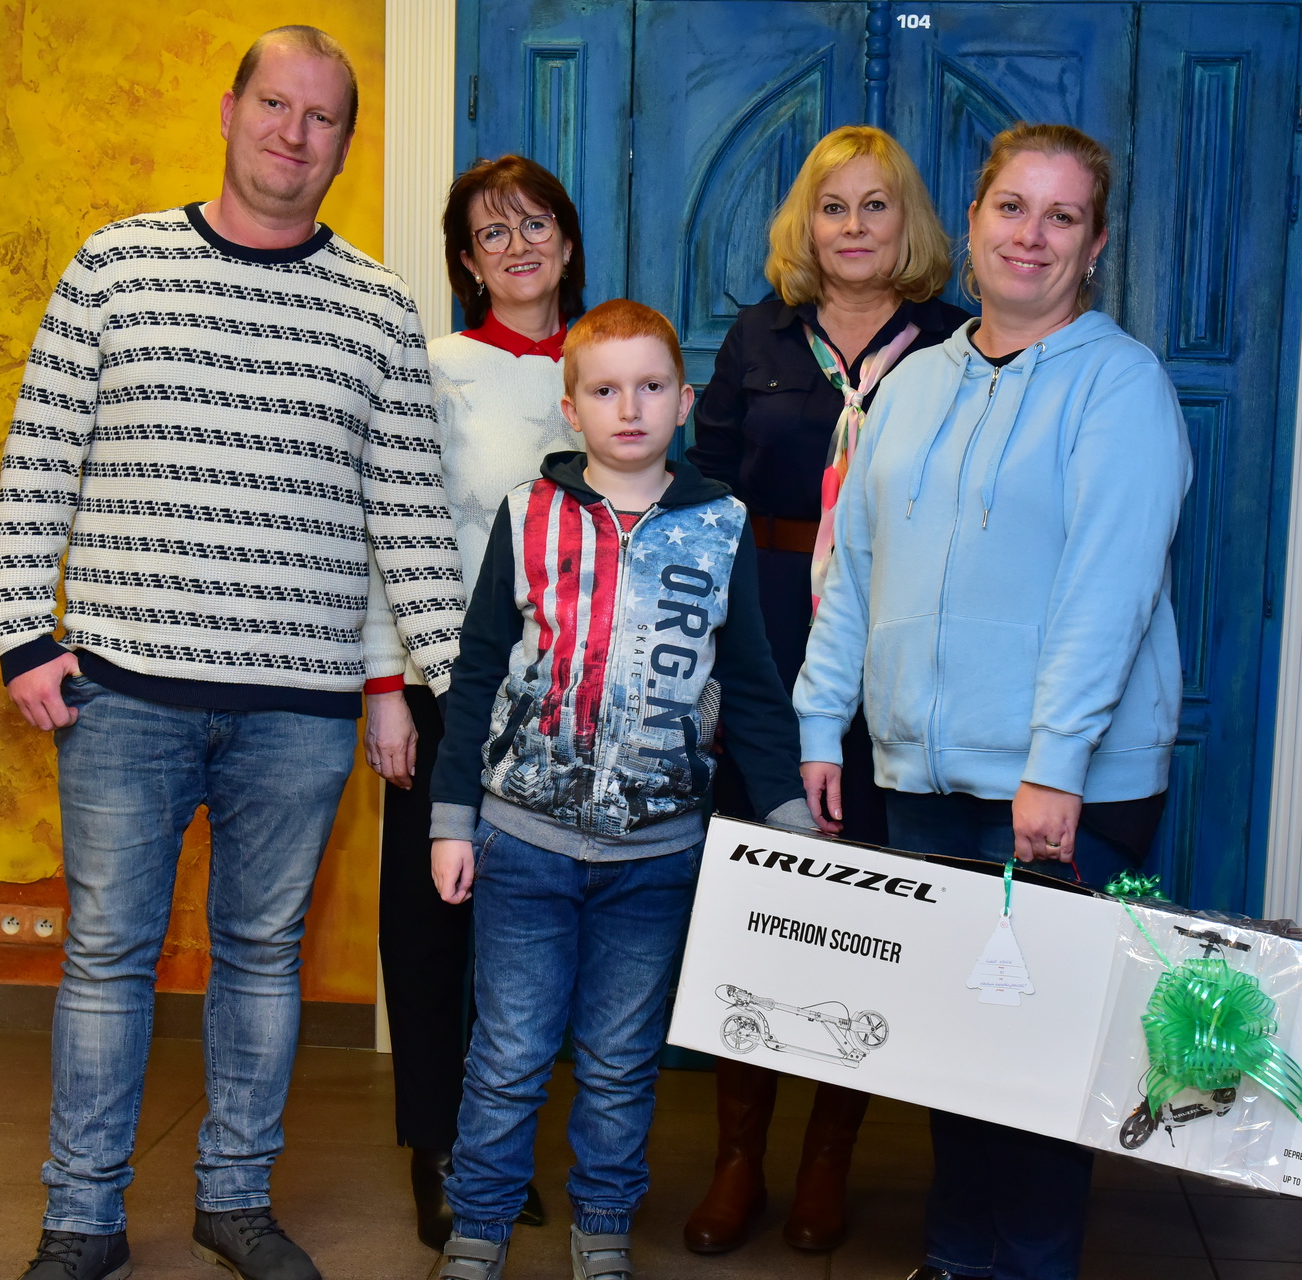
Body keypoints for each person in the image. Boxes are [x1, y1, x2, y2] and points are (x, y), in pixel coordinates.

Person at [0, 27, 466, 1280]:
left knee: (263, 957)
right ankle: (81, 1217)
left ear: (344, 145)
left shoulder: (377, 308)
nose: (292, 133)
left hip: (297, 710)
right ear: (229, 108)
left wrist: (465, 692)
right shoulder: (115, 266)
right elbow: (39, 460)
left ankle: (235, 1199)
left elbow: (412, 521)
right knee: (108, 955)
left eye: (322, 117)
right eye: (275, 104)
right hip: (121, 693)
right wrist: (24, 636)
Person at [792, 123, 1191, 1280]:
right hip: (926, 771)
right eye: (1012, 207)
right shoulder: (915, 382)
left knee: (1040, 1062)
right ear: (970, 224)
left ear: (1096, 244)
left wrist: (1055, 762)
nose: (1032, 235)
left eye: (1063, 217)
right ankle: (956, 1257)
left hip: (1066, 786)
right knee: (955, 1047)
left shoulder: (1121, 386)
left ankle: (1029, 1265)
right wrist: (823, 720)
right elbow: (854, 565)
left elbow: (1109, 590)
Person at [423, 300, 820, 1280]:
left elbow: (754, 687)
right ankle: (478, 1226)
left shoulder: (721, 525)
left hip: (657, 855)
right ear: (572, 409)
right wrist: (451, 819)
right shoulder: (528, 513)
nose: (629, 408)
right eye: (605, 390)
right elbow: (478, 672)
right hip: (522, 841)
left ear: (684, 401)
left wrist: (790, 820)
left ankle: (602, 1225)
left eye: (651, 387)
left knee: (617, 1057)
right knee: (509, 1052)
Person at [683, 124, 971, 1257]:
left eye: (875, 205)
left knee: (867, 915)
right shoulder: (757, 337)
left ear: (910, 223)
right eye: (833, 206)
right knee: (755, 902)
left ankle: (826, 1161)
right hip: (765, 638)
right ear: (806, 224)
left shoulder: (955, 343)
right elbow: (703, 492)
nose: (853, 226)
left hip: (893, 647)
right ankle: (738, 1160)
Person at [381, 154, 585, 1250]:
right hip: (449, 688)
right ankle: (438, 1149)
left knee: (536, 930)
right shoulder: (434, 370)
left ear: (567, 239)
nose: (517, 246)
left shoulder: (612, 364)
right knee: (431, 931)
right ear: (465, 260)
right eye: (491, 232)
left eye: (534, 223)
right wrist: (387, 688)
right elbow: (389, 534)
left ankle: (502, 1143)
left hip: (573, 701)